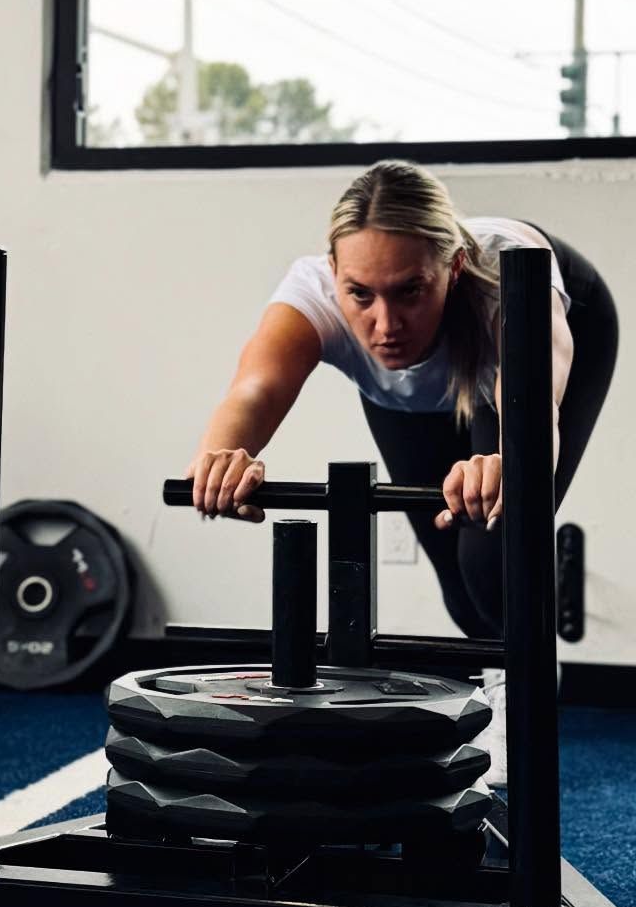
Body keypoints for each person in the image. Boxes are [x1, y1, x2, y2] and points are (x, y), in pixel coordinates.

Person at [185, 160, 618, 785]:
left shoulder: (506, 276)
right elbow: (255, 388)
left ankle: (523, 664)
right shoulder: (311, 293)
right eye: (360, 294)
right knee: (455, 574)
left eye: (410, 290)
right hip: (413, 393)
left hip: (552, 344)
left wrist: (506, 463)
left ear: (453, 268)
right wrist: (222, 454)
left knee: (490, 547)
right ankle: (506, 654)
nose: (384, 326)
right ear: (334, 274)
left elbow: (535, 403)